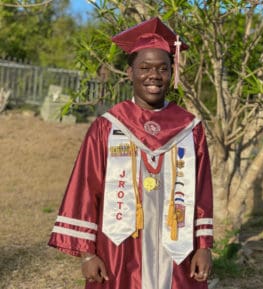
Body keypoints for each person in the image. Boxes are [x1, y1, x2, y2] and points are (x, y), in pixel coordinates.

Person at [48, 17, 213, 289]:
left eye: (162, 68)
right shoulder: (108, 127)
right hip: (119, 249)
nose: (154, 76)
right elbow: (86, 189)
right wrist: (87, 254)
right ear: (130, 73)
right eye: (144, 67)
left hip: (177, 248)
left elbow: (203, 189)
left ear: (172, 72)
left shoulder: (189, 128)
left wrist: (204, 246)